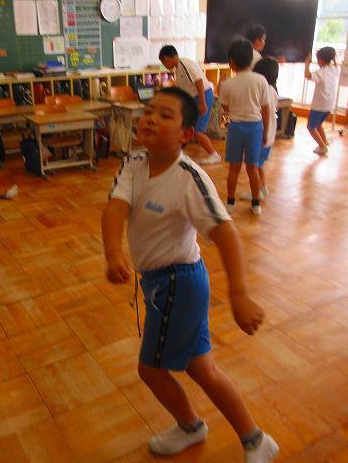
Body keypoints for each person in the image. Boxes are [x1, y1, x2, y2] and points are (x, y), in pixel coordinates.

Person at [102, 86, 278, 462]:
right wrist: (113, 253)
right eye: (149, 111)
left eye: (165, 115)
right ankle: (255, 440)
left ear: (186, 134)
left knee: (151, 370)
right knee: (203, 370)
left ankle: (191, 427)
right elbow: (115, 208)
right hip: (161, 283)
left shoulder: (189, 179)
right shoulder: (134, 162)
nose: (151, 119)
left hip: (178, 284)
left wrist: (239, 295)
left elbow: (226, 233)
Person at [219, 39, 271, 216]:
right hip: (255, 128)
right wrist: (265, 132)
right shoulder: (261, 80)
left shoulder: (228, 84)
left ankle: (230, 203)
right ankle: (256, 204)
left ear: (231, 62)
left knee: (234, 168)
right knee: (252, 168)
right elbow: (266, 110)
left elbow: (225, 107)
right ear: (251, 59)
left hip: (235, 128)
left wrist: (222, 85)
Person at [158, 45, 222, 166]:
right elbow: (184, 87)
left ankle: (214, 155)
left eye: (163, 62)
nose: (164, 66)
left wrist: (202, 102)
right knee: (185, 125)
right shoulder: (178, 68)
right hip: (194, 98)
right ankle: (176, 152)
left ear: (167, 58)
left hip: (202, 96)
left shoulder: (184, 64)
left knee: (197, 131)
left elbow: (198, 81)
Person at [241, 57, 279, 202]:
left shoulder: (260, 90)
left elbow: (260, 112)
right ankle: (262, 187)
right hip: (270, 136)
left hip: (260, 135)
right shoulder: (272, 90)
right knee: (259, 164)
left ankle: (256, 193)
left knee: (253, 167)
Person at [304, 46, 339, 156]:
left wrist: (307, 63)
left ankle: (322, 147)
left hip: (319, 106)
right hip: (329, 106)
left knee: (310, 127)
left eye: (318, 59)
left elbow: (307, 75)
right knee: (318, 124)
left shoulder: (322, 72)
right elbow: (335, 66)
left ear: (321, 60)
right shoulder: (334, 69)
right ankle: (324, 142)